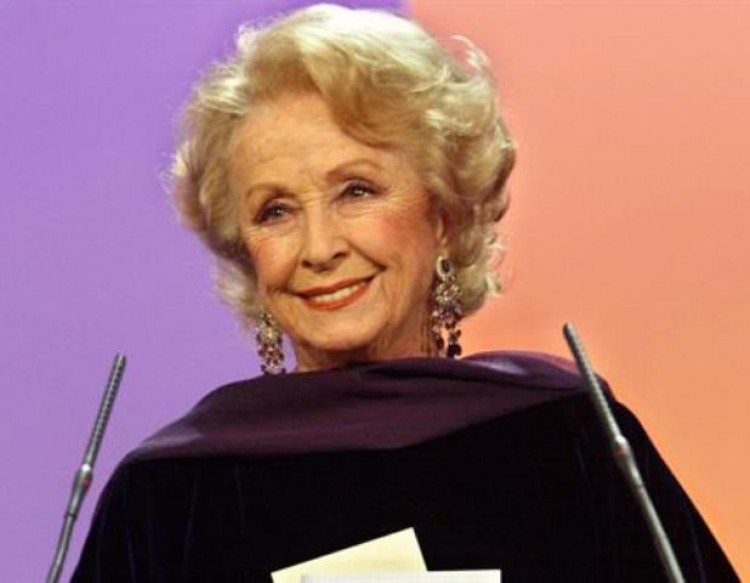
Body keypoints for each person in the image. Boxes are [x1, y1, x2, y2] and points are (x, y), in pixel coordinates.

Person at [72, 4, 737, 581]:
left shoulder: (565, 435)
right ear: (245, 250)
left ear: (443, 213)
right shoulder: (170, 496)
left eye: (356, 191)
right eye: (276, 211)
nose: (319, 248)